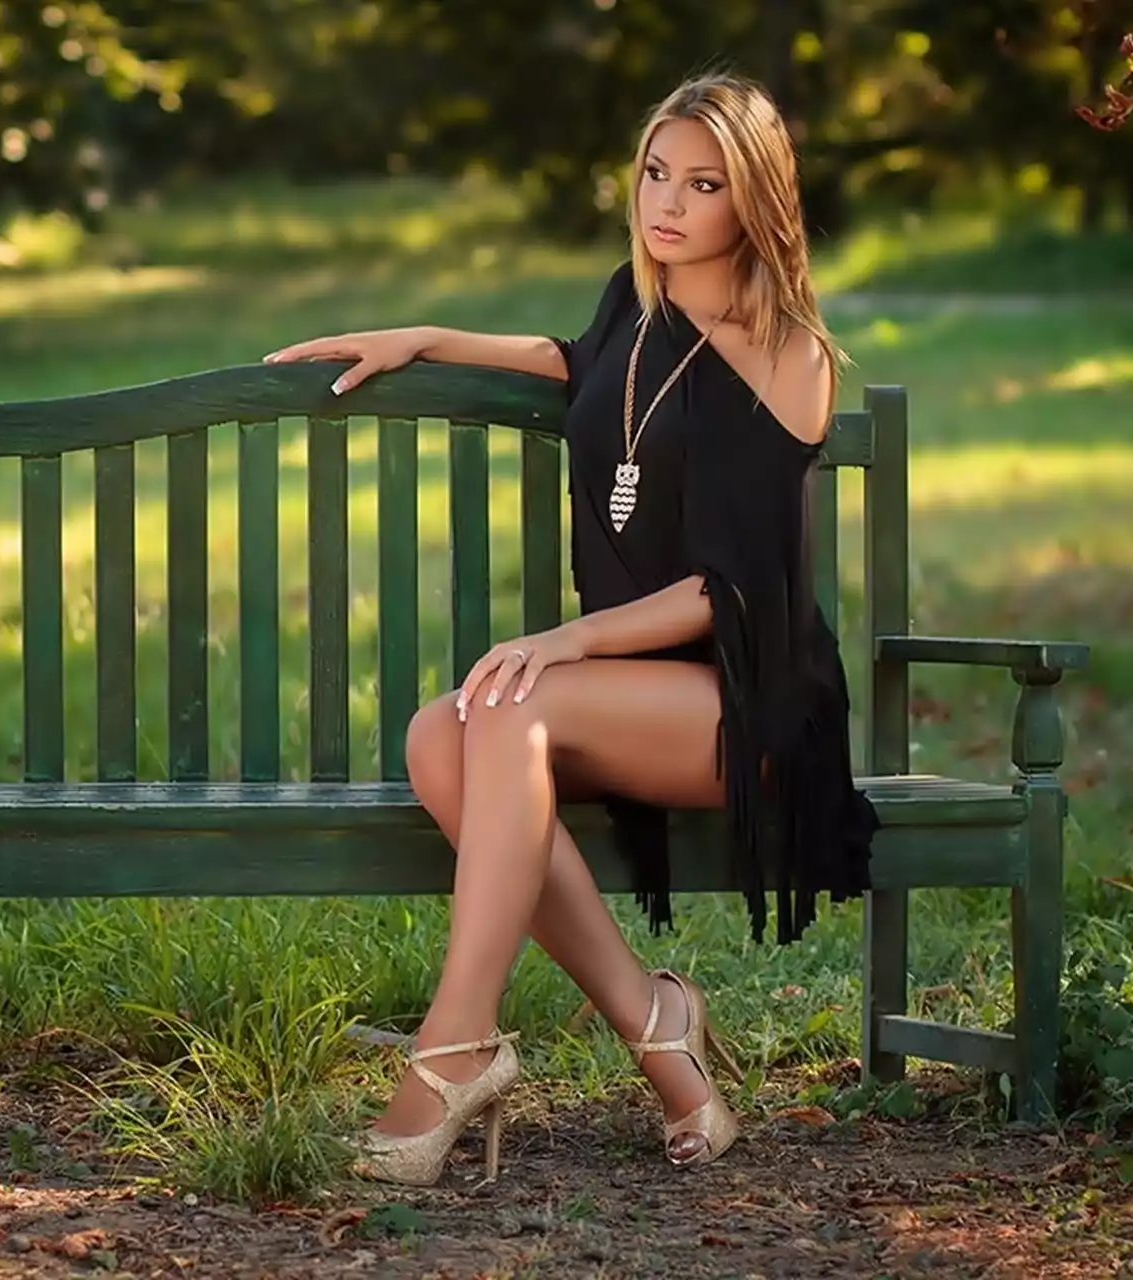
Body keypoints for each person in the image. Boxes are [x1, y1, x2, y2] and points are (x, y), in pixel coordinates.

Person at [262, 72, 882, 1187]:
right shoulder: (634, 309)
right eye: (656, 172)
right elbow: (576, 363)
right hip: (629, 695)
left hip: (748, 696)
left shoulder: (790, 353)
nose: (670, 203)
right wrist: (428, 336)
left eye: (705, 183)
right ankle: (661, 1029)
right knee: (435, 736)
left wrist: (569, 639)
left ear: (756, 199)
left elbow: (733, 587)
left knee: (513, 695)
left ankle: (452, 1046)